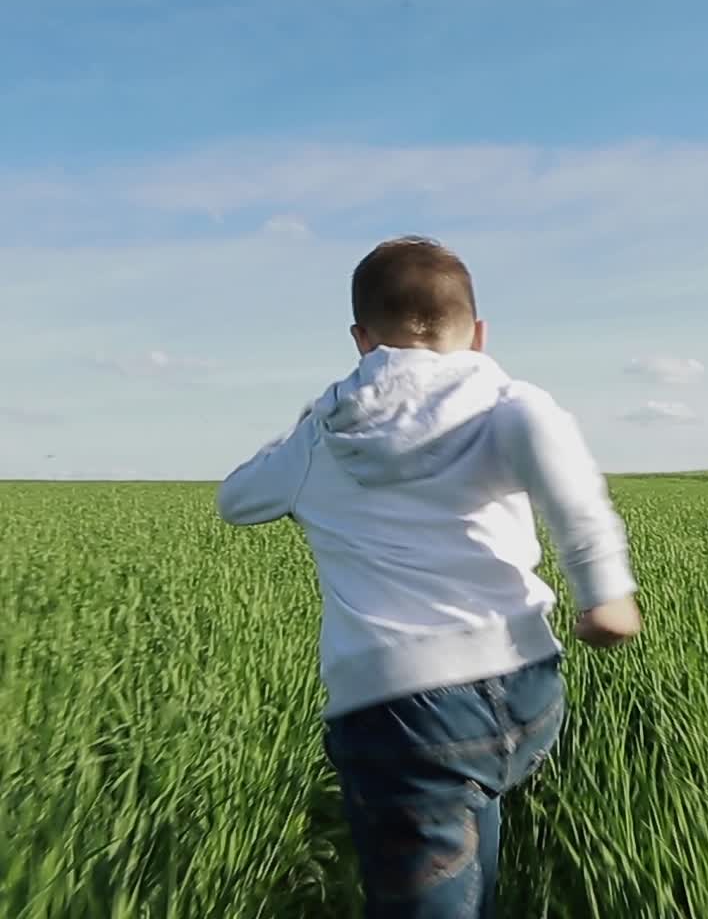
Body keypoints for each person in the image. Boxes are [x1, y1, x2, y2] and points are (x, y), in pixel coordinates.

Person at [217, 236, 642, 918]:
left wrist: (303, 430)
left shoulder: (327, 430)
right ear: (478, 333)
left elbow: (236, 501)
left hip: (402, 710)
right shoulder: (512, 403)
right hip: (527, 687)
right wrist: (605, 593)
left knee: (429, 860)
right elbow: (577, 501)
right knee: (471, 807)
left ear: (362, 338)